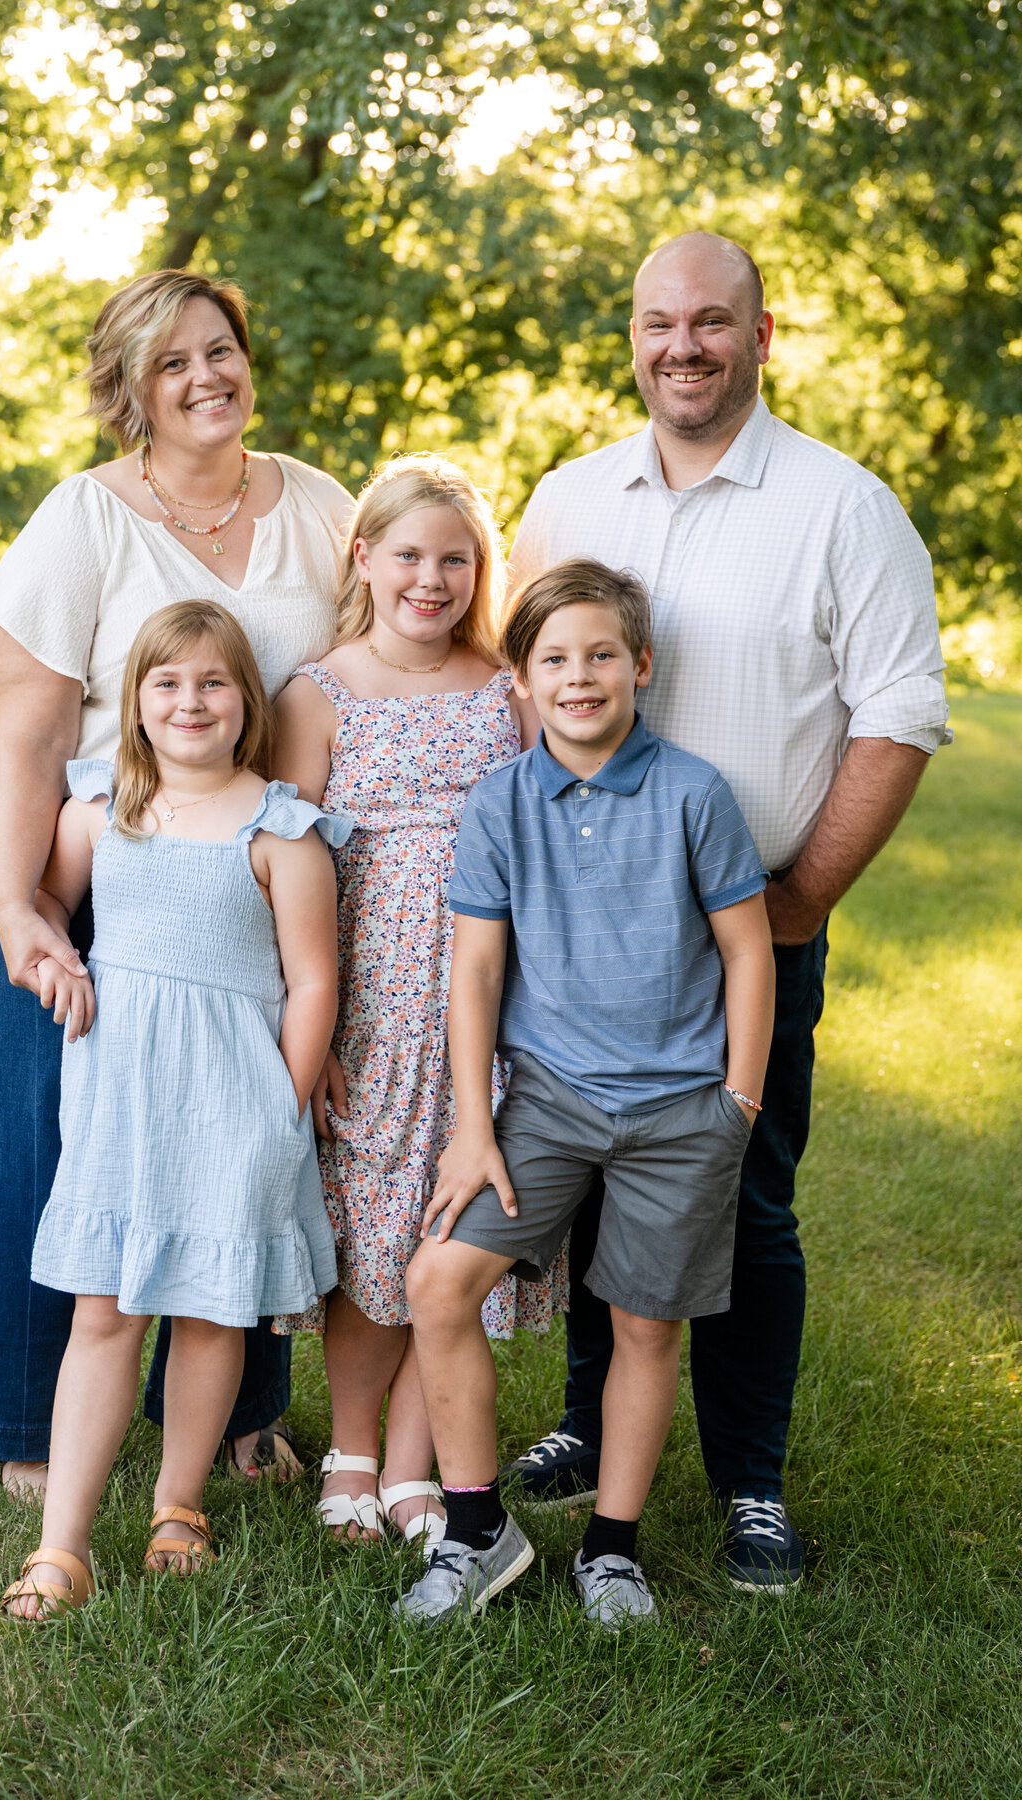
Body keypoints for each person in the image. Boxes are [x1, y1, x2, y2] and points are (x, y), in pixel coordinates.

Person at [503, 232, 950, 1590]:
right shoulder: (571, 499)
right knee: (579, 1188)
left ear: (764, 333)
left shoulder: (842, 506)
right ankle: (585, 1423)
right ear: (629, 335)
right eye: (658, 322)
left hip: (749, 936)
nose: (682, 345)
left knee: (747, 1197)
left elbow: (900, 713)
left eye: (711, 321)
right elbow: (513, 691)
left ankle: (750, 1481)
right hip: (576, 938)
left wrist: (804, 896)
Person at [0, 269, 353, 1499]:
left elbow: (376, 659)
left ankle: (238, 1417)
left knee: (244, 1132)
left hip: (252, 867)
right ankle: (32, 1421)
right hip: (84, 859)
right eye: (174, 359)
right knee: (52, 1140)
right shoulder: (83, 518)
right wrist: (24, 907)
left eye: (222, 348)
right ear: (131, 386)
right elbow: (27, 738)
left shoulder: (320, 506)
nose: (206, 376)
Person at [395, 561, 775, 1628]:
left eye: (601, 655)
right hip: (549, 1102)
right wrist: (475, 1124)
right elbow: (473, 972)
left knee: (645, 1328)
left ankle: (612, 1551)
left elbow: (750, 954)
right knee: (438, 1284)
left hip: (680, 1113)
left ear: (640, 668)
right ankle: (477, 1531)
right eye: (553, 659)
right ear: (520, 680)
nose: (579, 676)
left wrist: (736, 1104)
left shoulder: (694, 793)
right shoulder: (502, 800)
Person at [2, 600, 347, 1619]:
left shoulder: (282, 831)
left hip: (238, 1105)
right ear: (136, 702)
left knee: (207, 1312)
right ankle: (62, 1544)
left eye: (212, 683)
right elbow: (53, 902)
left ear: (247, 702)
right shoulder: (100, 809)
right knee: (105, 1311)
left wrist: (281, 1109)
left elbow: (315, 982)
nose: (189, 701)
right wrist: (56, 955)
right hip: (123, 1099)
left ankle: (178, 1504)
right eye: (167, 683)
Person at [272, 455, 563, 1549]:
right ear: (364, 558)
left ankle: (413, 1461)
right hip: (366, 1005)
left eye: (456, 558)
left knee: (449, 1225)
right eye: (408, 554)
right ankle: (351, 1447)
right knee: (368, 1224)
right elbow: (285, 857)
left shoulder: (505, 689)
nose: (431, 578)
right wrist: (310, 1022)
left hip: (490, 1001)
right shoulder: (318, 689)